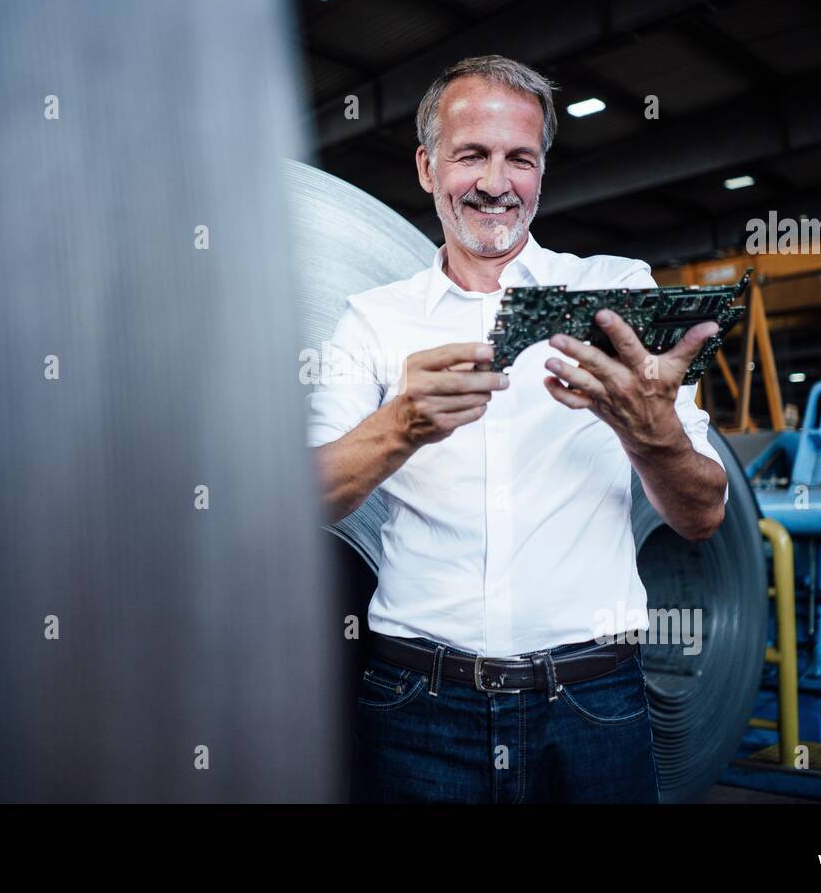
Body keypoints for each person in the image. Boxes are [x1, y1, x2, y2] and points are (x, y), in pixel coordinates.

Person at [306, 55, 730, 803]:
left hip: (595, 704)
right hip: (417, 704)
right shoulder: (372, 319)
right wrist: (400, 424)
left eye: (520, 159)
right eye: (472, 155)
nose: (497, 183)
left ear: (541, 172)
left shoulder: (620, 296)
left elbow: (702, 516)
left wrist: (650, 432)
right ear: (427, 167)